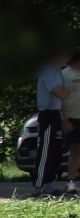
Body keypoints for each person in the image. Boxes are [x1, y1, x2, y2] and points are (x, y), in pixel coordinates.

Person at [33, 48, 71, 197]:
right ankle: (38, 186)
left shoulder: (58, 72)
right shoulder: (47, 70)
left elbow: (64, 94)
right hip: (47, 115)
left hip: (55, 114)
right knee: (45, 150)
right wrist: (67, 92)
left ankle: (50, 186)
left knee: (56, 151)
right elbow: (61, 92)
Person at [61, 51, 80, 193]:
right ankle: (71, 181)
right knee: (75, 149)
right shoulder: (64, 75)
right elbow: (58, 98)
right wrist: (64, 119)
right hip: (71, 118)